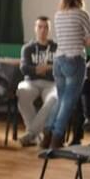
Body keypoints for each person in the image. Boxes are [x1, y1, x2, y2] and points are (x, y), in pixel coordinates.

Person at [41, 0, 90, 150]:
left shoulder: (58, 15)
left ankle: (47, 135)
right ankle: (57, 138)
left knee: (61, 99)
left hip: (59, 60)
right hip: (75, 60)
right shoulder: (82, 14)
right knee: (68, 103)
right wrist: (80, 38)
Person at [17, 16, 58, 147]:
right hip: (31, 82)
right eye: (40, 27)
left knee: (54, 98)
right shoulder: (27, 48)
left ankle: (31, 134)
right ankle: (35, 135)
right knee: (22, 93)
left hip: (51, 83)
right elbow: (24, 69)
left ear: (50, 30)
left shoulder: (57, 48)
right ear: (35, 28)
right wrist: (40, 69)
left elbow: (60, 68)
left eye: (46, 27)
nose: (43, 30)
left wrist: (46, 68)